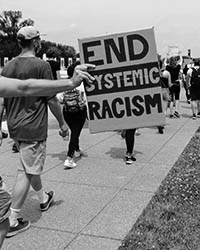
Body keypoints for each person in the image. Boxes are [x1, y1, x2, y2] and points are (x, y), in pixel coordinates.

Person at [0, 25, 87, 238]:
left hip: (15, 126)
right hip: (33, 127)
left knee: (29, 165)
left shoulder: (8, 66)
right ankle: (11, 220)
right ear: (36, 42)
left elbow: (2, 100)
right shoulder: (42, 66)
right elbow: (50, 99)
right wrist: (63, 124)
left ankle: (42, 198)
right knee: (27, 171)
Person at [57, 63, 88, 168]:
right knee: (75, 133)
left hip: (67, 112)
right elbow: (85, 99)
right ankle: (69, 158)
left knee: (75, 131)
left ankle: (77, 150)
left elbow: (59, 99)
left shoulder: (65, 84)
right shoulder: (82, 84)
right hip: (80, 112)